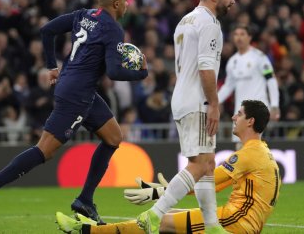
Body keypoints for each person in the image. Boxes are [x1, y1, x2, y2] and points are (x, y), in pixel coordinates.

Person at [0, 0, 148, 225]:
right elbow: (115, 72)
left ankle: (85, 199)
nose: (127, 4)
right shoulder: (113, 28)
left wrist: (51, 65)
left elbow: (47, 30)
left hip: (75, 86)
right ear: (116, 3)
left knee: (114, 137)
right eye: (126, 0)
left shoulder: (82, 15)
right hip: (77, 94)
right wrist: (141, 72)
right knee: (45, 150)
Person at [55, 100, 281, 234]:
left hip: (235, 222)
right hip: (239, 221)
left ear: (250, 121)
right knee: (165, 217)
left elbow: (204, 183)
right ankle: (94, 228)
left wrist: (156, 192)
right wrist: (166, 191)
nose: (233, 117)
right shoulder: (261, 151)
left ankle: (87, 230)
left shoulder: (249, 154)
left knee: (160, 221)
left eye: (239, 114)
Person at [137, 0, 235, 234]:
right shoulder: (209, 23)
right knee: (199, 165)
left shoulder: (185, 20)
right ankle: (153, 215)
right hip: (198, 99)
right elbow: (205, 67)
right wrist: (214, 104)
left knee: (207, 164)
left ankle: (212, 225)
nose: (232, 0)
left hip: (182, 97)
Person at [218, 24, 280, 148]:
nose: (239, 38)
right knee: (239, 148)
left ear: (249, 37)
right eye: (236, 35)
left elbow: (271, 80)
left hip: (258, 110)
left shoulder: (260, 57)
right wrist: (215, 102)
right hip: (240, 113)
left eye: (242, 34)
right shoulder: (232, 62)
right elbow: (228, 86)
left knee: (254, 146)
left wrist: (274, 105)